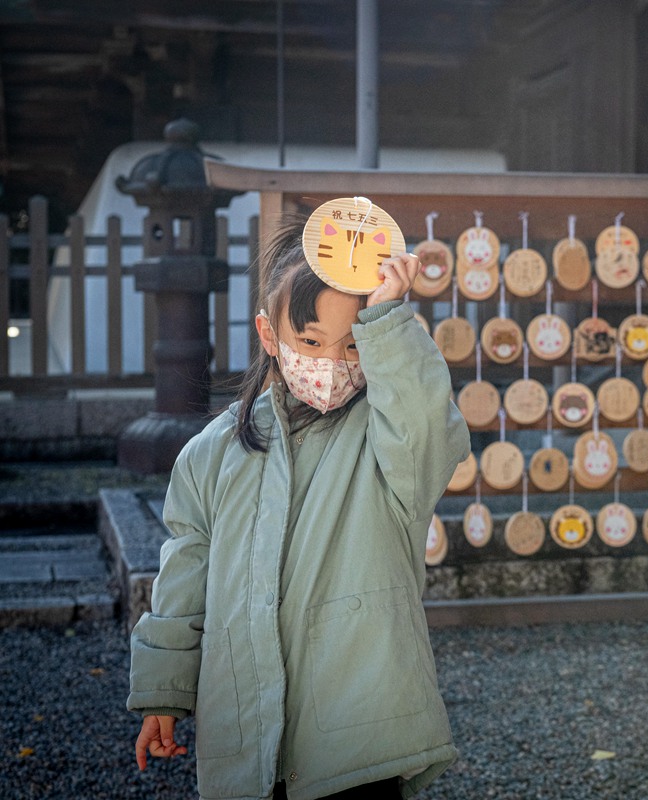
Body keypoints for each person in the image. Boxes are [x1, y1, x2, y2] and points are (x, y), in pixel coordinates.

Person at [127, 216, 470, 800]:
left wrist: (388, 318)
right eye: (310, 342)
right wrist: (165, 689)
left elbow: (427, 428)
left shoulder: (386, 442)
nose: (331, 362)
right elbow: (185, 574)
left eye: (355, 343)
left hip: (361, 739)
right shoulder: (210, 454)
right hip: (242, 725)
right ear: (269, 334)